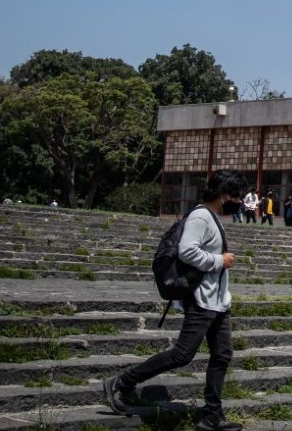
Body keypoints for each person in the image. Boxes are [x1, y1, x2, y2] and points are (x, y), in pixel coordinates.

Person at [103, 169, 247, 431]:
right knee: (182, 355)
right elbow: (187, 250)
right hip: (202, 300)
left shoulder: (211, 217)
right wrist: (219, 261)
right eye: (237, 196)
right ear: (225, 194)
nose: (239, 202)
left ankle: (212, 415)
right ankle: (121, 383)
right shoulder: (201, 216)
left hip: (218, 302)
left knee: (222, 355)